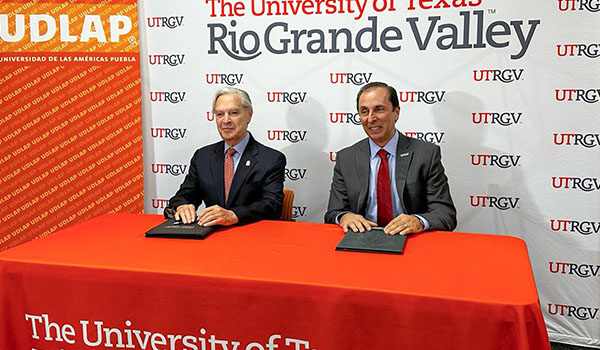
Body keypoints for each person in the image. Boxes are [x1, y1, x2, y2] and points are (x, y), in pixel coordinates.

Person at [324, 82, 456, 235]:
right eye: (364, 112)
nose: (371, 118)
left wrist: (419, 221)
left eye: (379, 109)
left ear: (396, 113)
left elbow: (445, 213)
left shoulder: (426, 154)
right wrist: (344, 217)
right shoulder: (346, 158)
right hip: (362, 239)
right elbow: (333, 212)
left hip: (410, 239)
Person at [165, 87, 286, 226]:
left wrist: (234, 215)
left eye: (233, 113)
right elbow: (183, 196)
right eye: (220, 114)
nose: (226, 120)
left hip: (252, 237)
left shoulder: (271, 159)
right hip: (211, 237)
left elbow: (272, 206)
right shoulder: (203, 156)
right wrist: (182, 206)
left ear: (249, 114)